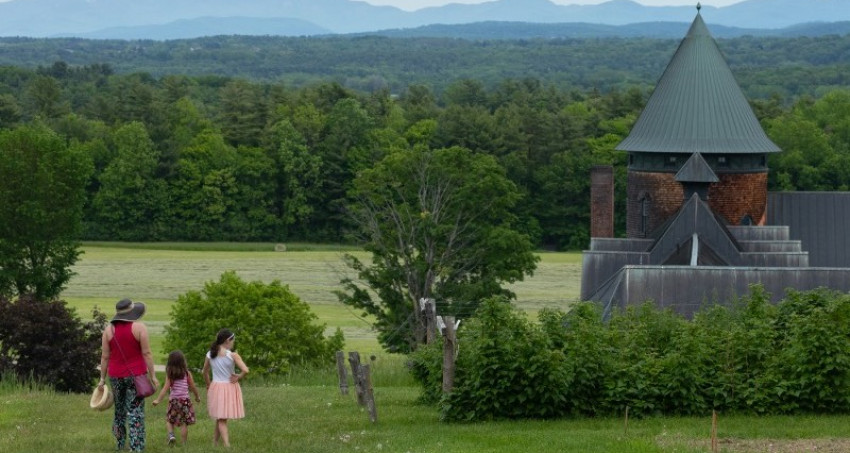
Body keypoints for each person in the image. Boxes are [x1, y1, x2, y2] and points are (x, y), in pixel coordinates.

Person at [98, 298, 160, 452]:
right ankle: (136, 446)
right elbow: (146, 353)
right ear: (132, 312)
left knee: (119, 411)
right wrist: (152, 376)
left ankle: (120, 445)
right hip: (136, 376)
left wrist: (101, 379)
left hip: (115, 375)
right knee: (135, 411)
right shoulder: (139, 328)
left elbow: (105, 357)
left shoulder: (108, 330)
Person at [202, 328, 249, 447]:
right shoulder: (232, 355)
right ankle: (227, 445)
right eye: (233, 340)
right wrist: (238, 376)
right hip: (228, 387)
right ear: (228, 340)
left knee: (220, 417)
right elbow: (245, 370)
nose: (233, 343)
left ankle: (215, 442)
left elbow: (204, 372)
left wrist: (208, 384)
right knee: (222, 418)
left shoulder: (210, 353)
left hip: (216, 386)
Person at [152, 350, 201, 446]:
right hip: (185, 402)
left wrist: (158, 400)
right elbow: (193, 386)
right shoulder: (187, 373)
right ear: (183, 362)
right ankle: (184, 443)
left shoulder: (170, 375)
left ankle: (171, 435)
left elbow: (165, 389)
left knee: (169, 420)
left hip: (174, 401)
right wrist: (197, 396)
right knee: (183, 423)